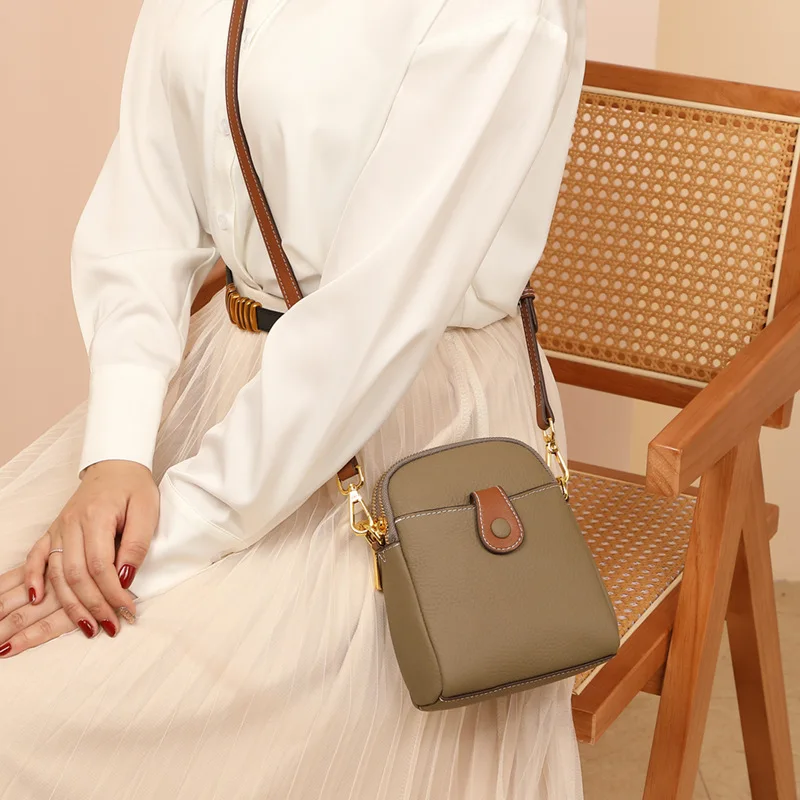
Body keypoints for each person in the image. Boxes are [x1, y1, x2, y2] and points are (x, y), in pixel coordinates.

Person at [0, 0, 587, 796]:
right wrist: (114, 456)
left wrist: (153, 548)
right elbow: (145, 214)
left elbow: (371, 323)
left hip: (409, 427)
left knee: (29, 716)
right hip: (214, 386)